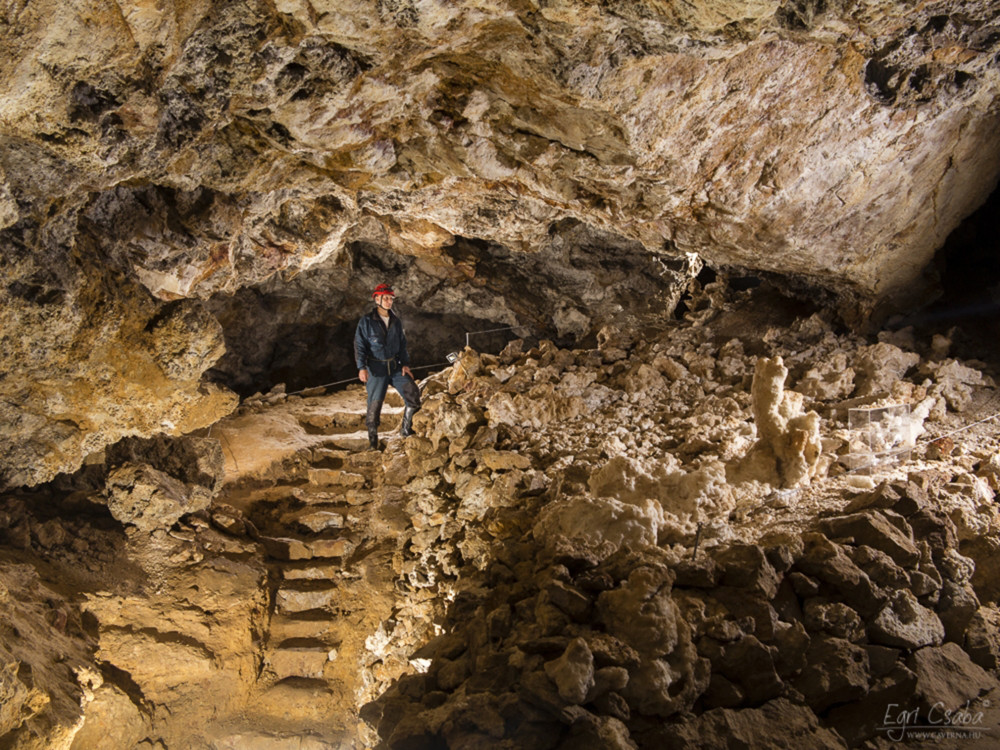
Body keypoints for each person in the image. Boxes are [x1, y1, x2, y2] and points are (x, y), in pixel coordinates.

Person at [354, 283, 421, 450]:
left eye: (391, 298)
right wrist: (361, 367)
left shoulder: (396, 321)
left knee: (412, 392)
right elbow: (359, 345)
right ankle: (373, 442)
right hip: (376, 368)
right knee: (374, 403)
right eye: (386, 298)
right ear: (377, 299)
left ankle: (406, 430)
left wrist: (405, 364)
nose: (389, 301)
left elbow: (402, 344)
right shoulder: (367, 322)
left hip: (395, 366)